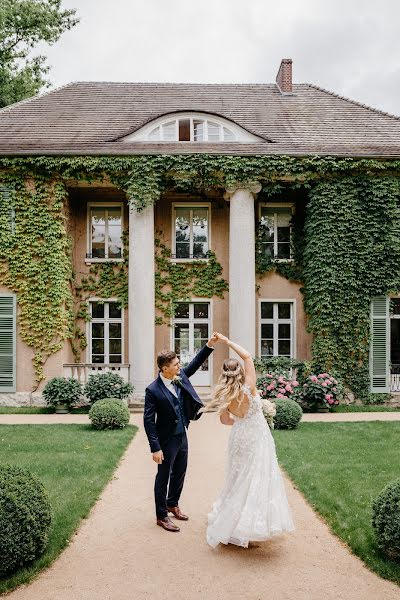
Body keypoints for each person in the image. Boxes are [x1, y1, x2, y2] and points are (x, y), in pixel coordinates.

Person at [202, 332, 295, 548]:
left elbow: (225, 421)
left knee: (237, 478)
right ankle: (249, 525)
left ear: (224, 375)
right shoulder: (250, 385)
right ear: (241, 372)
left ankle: (231, 523)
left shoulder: (226, 396)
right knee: (258, 476)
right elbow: (247, 357)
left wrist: (241, 422)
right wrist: (227, 341)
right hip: (257, 435)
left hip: (239, 436)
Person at [144, 334, 218, 532]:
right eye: (176, 365)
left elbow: (194, 364)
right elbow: (148, 421)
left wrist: (209, 346)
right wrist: (155, 448)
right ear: (164, 369)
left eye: (178, 363)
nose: (179, 366)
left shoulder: (180, 377)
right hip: (166, 439)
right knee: (163, 476)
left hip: (181, 434)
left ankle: (172, 503)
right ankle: (161, 516)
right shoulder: (153, 390)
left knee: (180, 472)